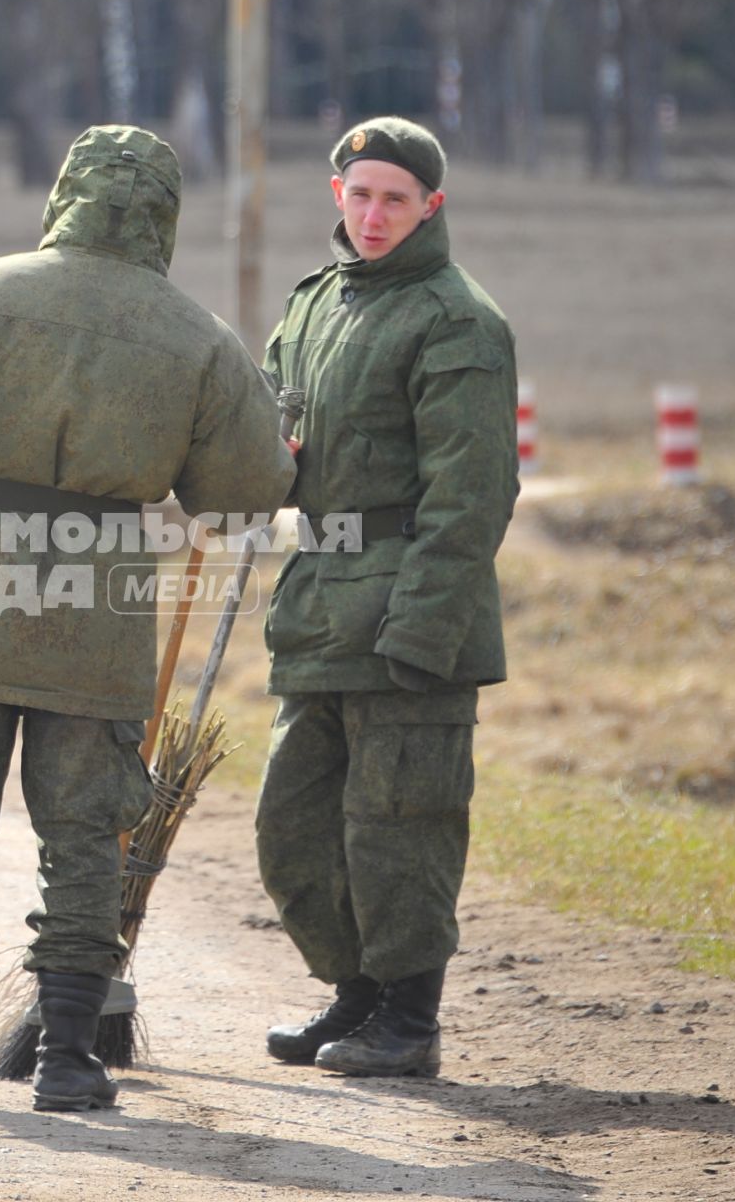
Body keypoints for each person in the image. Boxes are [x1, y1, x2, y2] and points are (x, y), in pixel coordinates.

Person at [0, 125, 294, 1111]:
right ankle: (71, 1059)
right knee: (85, 834)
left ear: (63, 196)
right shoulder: (198, 335)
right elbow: (243, 498)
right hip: (102, 606)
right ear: (165, 215)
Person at [255, 116, 519, 1078]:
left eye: (395, 200)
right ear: (337, 197)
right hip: (319, 608)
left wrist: (424, 629)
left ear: (430, 208)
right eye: (360, 195)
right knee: (295, 828)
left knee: (400, 827)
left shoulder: (458, 321)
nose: (374, 216)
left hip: (410, 615)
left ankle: (410, 1022)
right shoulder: (316, 304)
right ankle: (356, 995)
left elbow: (473, 496)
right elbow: (272, 433)